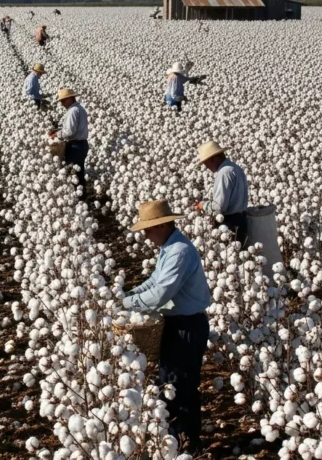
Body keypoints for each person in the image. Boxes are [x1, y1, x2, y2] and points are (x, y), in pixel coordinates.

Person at [123, 199, 211, 453]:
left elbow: (161, 293)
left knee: (179, 386)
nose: (146, 235)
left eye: (147, 229)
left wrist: (128, 304)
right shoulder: (169, 248)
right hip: (177, 324)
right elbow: (152, 282)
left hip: (187, 327)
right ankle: (177, 441)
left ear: (162, 225)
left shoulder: (180, 252)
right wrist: (126, 295)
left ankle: (187, 445)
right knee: (171, 384)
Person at [194, 141, 249, 245]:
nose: (207, 167)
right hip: (242, 222)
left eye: (206, 164)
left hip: (230, 225)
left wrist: (203, 205)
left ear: (213, 159)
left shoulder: (224, 173)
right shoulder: (236, 168)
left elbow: (219, 206)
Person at [49, 89, 89, 189]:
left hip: (75, 146)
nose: (62, 104)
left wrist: (56, 135)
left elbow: (70, 131)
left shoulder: (72, 111)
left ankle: (77, 196)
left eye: (63, 101)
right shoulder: (80, 108)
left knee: (73, 172)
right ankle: (82, 196)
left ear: (70, 99)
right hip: (82, 144)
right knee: (79, 172)